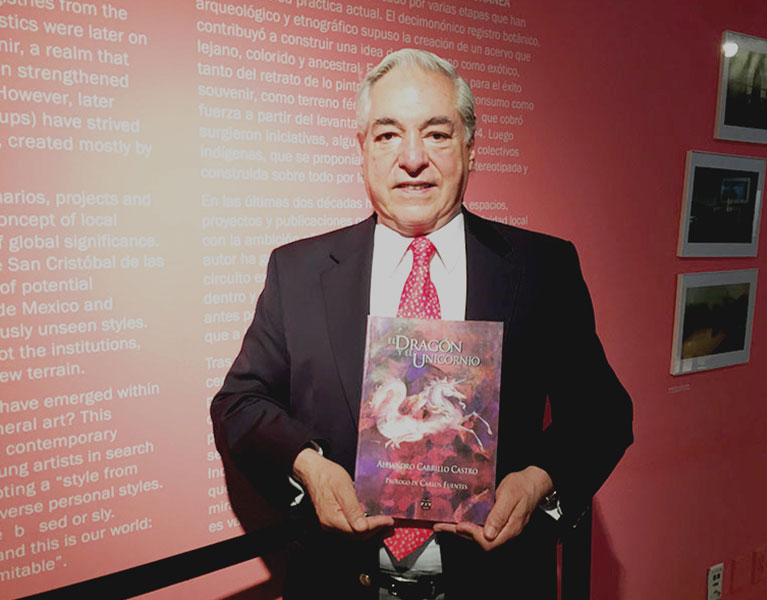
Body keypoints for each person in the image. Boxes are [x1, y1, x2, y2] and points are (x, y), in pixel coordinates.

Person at [211, 48, 633, 599]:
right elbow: (238, 404)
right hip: (338, 581)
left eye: (436, 134)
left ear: (471, 147)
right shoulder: (298, 272)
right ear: (363, 148)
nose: (412, 158)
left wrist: (539, 482)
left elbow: (603, 413)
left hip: (494, 584)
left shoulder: (542, 268)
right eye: (388, 135)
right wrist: (308, 466)